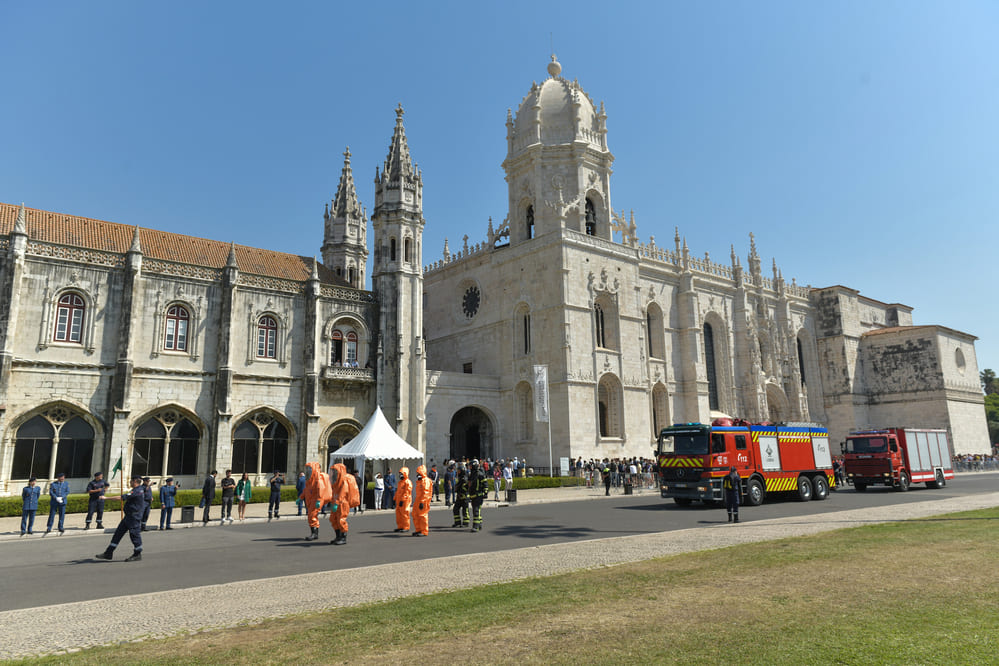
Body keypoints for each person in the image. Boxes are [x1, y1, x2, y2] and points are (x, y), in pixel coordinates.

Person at [95, 475, 145, 562]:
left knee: (134, 535)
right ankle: (108, 553)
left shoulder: (137, 491)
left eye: (131, 481)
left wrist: (106, 498)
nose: (130, 482)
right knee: (118, 533)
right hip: (128, 517)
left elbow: (121, 498)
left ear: (135, 481)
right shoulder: (136, 489)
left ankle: (137, 553)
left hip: (134, 517)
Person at [328, 462, 360, 545]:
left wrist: (337, 502)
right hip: (336, 503)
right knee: (333, 519)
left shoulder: (344, 481)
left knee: (341, 520)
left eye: (335, 471)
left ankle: (343, 537)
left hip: (342, 503)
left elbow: (343, 492)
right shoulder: (336, 482)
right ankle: (338, 536)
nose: (333, 473)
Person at [300, 461, 331, 541]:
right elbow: (306, 490)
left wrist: (319, 500)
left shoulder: (318, 480)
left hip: (315, 500)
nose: (307, 471)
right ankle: (314, 533)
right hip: (310, 500)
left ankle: (314, 534)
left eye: (309, 469)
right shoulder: (310, 480)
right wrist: (300, 497)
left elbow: (321, 490)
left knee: (312, 515)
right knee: (311, 516)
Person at [467, 459, 488, 532]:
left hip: (478, 496)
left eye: (470, 466)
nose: (469, 467)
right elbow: (469, 485)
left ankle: (475, 527)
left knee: (476, 511)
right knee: (476, 511)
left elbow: (485, 483)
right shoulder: (471, 474)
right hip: (473, 496)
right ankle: (480, 524)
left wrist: (485, 492)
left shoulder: (480, 474)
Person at [412, 464, 432, 536]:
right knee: (415, 514)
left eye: (418, 473)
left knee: (422, 515)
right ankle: (418, 529)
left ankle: (424, 531)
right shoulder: (420, 481)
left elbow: (426, 492)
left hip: (423, 501)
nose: (417, 474)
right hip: (418, 500)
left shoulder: (425, 481)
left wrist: (422, 502)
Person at [393, 466, 412, 533]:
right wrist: (395, 498)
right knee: (399, 514)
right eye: (400, 474)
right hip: (399, 501)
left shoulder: (408, 482)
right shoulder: (400, 482)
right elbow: (398, 491)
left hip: (405, 501)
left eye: (401, 474)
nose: (400, 475)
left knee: (405, 514)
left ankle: (406, 527)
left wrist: (402, 500)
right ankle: (400, 526)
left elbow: (407, 492)